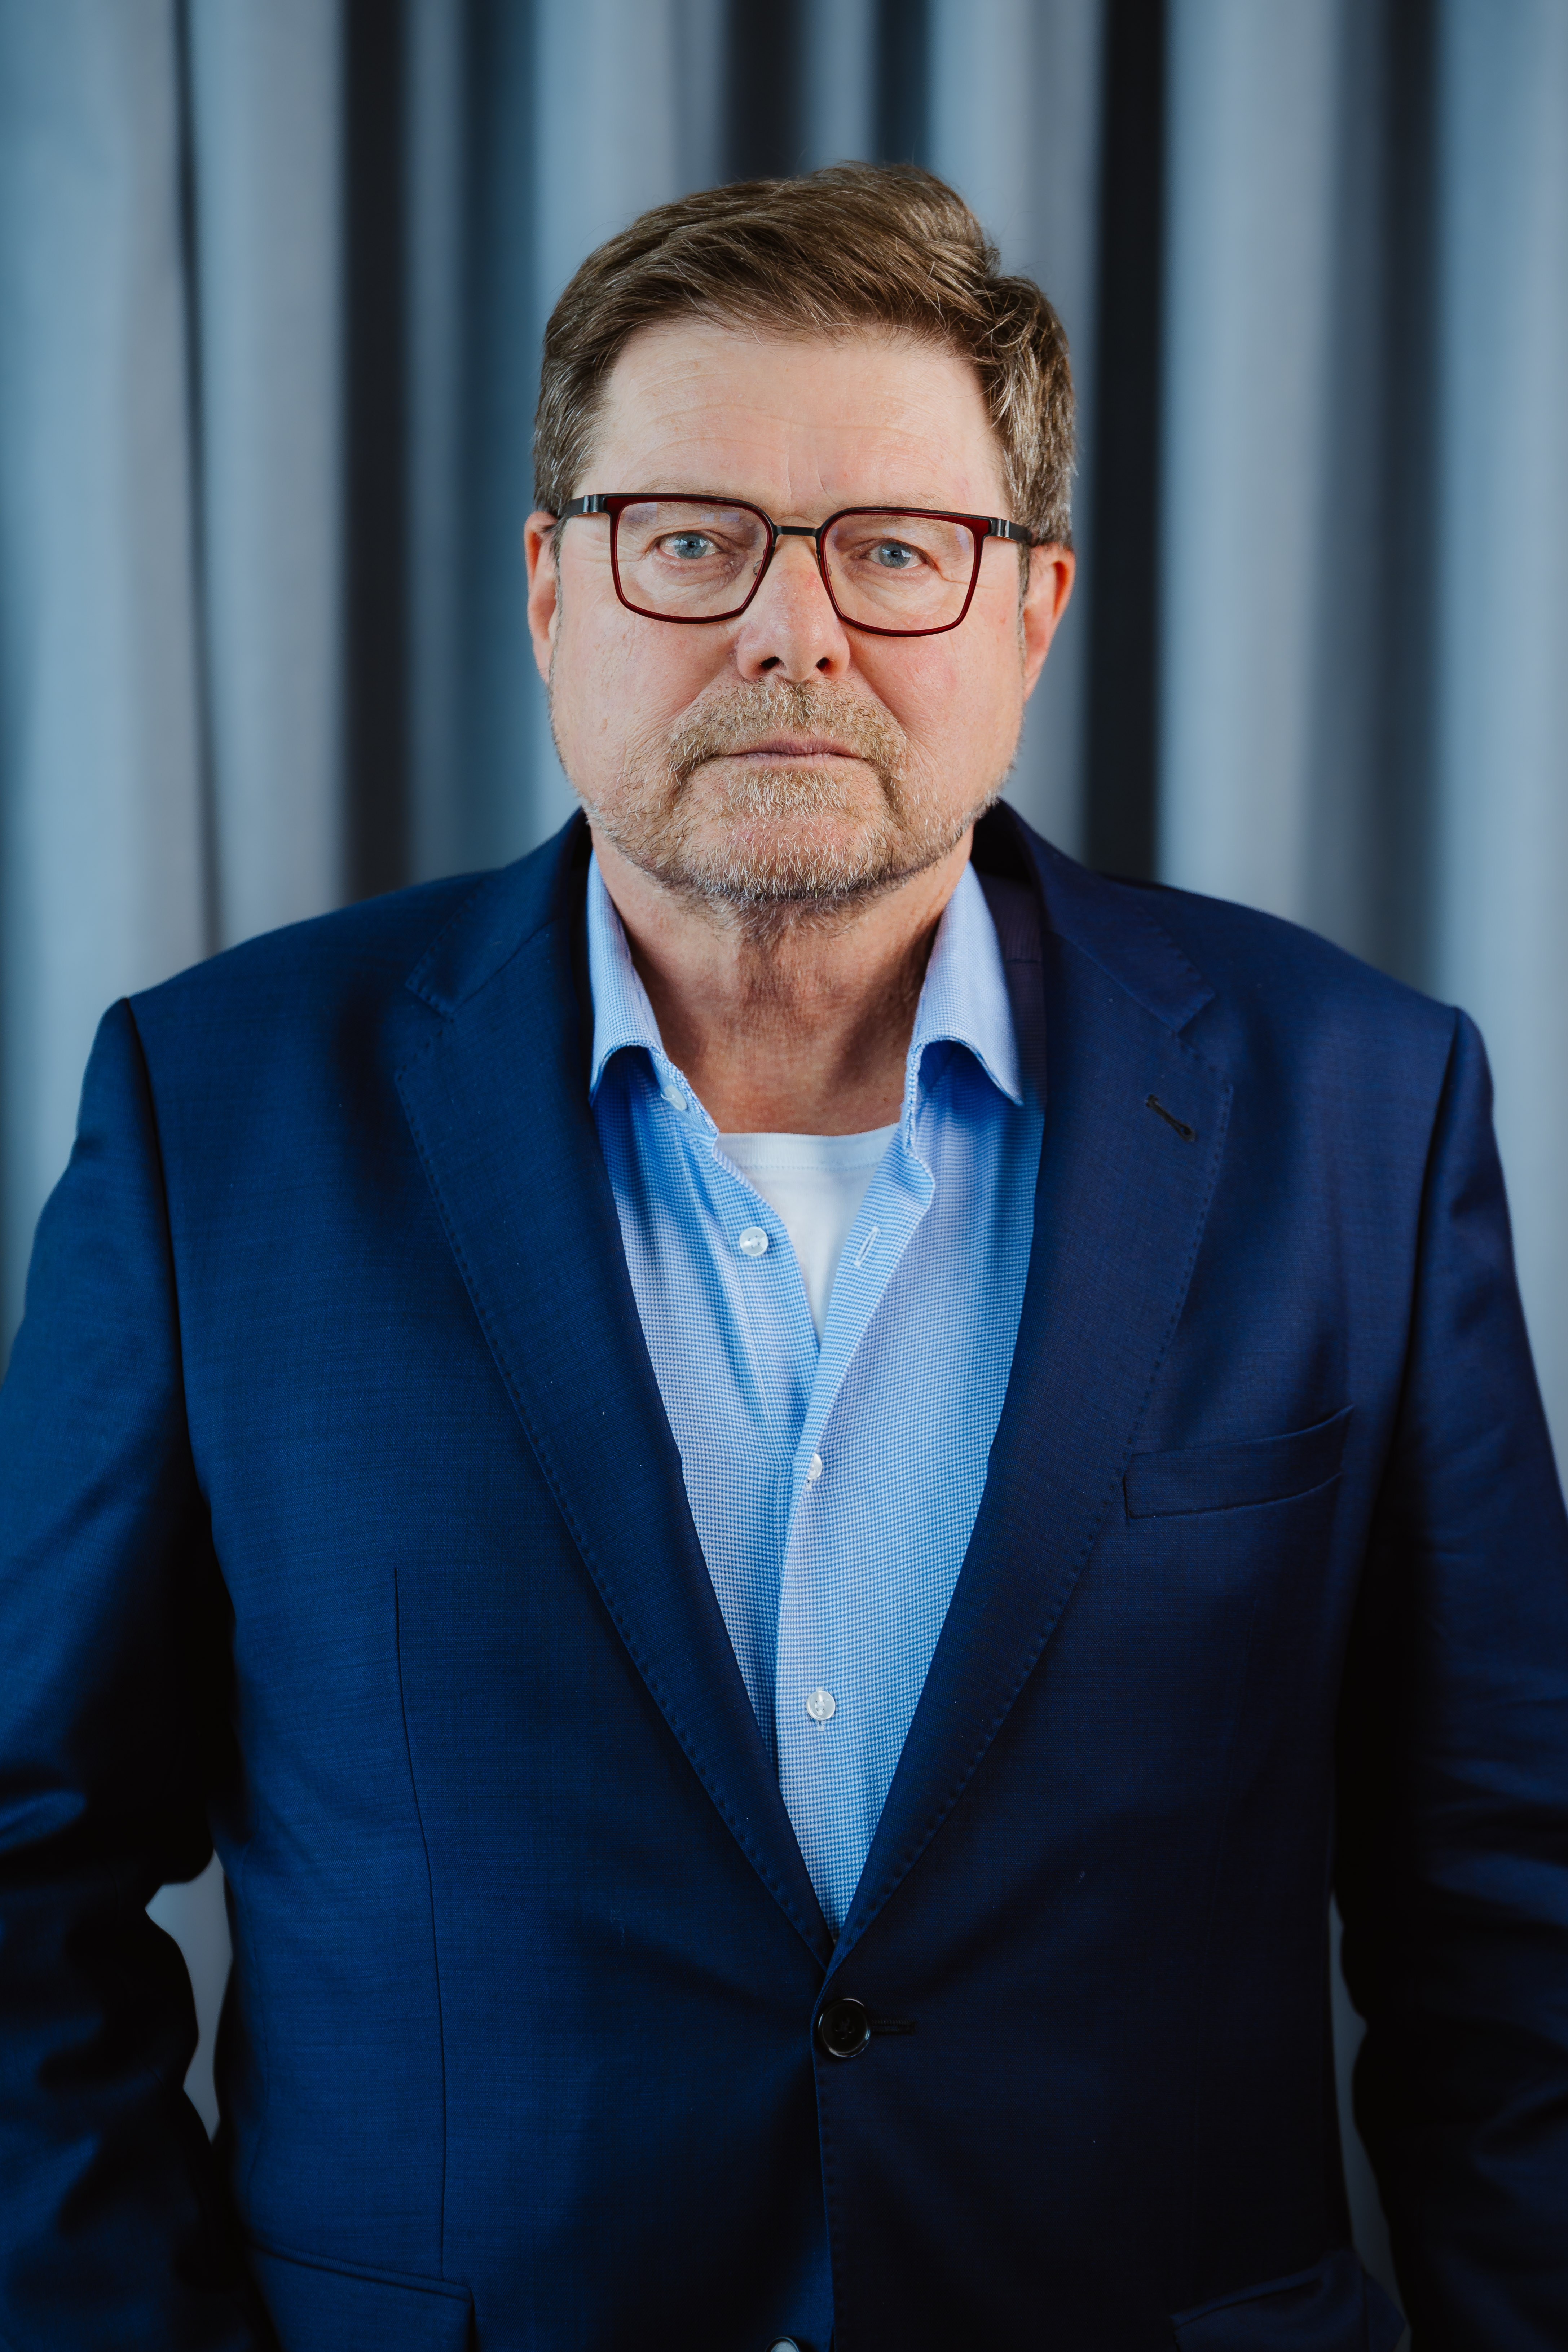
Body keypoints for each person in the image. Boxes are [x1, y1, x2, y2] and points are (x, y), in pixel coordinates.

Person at [0, 163, 1564, 2352]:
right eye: (692, 539)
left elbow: (1511, 1924)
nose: (793, 634)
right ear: (552, 591)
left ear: (1033, 613)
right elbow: (29, 1871)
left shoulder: (1360, 1112)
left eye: (897, 550)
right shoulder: (218, 1113)